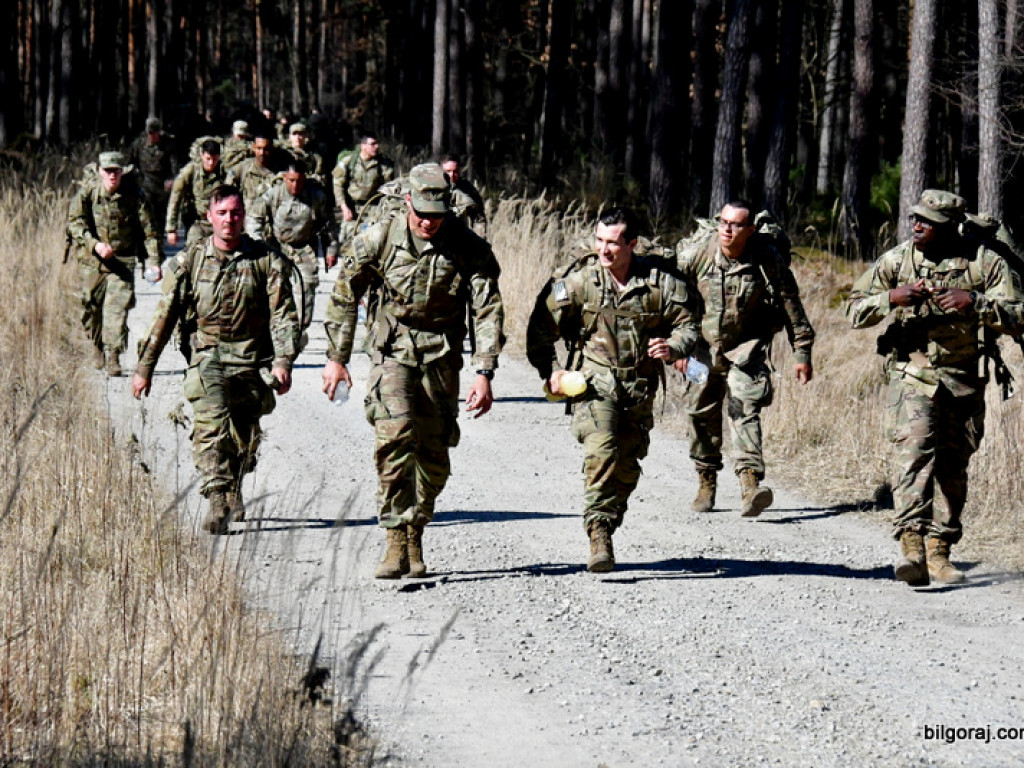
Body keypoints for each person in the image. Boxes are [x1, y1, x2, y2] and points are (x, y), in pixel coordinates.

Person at [321, 163, 504, 580]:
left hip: (441, 355)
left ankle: (415, 529)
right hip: (393, 350)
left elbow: (487, 309)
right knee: (394, 438)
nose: (428, 223)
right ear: (408, 202)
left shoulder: (467, 246)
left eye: (436, 216)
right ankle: (394, 538)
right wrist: (337, 358)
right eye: (421, 214)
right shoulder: (380, 238)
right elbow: (345, 293)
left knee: (434, 455)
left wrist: (484, 371)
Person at [846, 190, 1024, 586]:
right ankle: (912, 547)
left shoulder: (984, 261)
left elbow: (1019, 314)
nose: (918, 225)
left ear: (952, 227)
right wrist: (891, 298)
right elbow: (853, 310)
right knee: (914, 450)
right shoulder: (898, 260)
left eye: (929, 221)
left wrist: (974, 301)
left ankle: (940, 550)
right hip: (913, 372)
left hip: (964, 377)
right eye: (916, 218)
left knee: (953, 465)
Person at [527, 207, 700, 572]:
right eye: (599, 241)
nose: (604, 250)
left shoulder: (660, 284)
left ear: (632, 244)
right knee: (601, 449)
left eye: (613, 243)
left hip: (639, 388)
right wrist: (552, 372)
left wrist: (673, 347)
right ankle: (598, 533)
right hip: (594, 383)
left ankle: (608, 517)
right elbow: (540, 327)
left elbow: (688, 325)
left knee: (627, 467)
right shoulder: (580, 282)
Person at [131, 185, 299, 534]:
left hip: (252, 360)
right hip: (208, 356)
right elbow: (165, 316)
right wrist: (145, 368)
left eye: (235, 213)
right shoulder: (191, 261)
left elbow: (283, 314)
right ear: (209, 217)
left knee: (244, 436)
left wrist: (283, 362)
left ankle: (234, 480)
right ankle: (217, 498)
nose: (229, 220)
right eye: (222, 213)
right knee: (211, 425)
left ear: (244, 217)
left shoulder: (265, 260)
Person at [674, 200, 815, 517]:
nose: (727, 229)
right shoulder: (697, 255)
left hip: (746, 348)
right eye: (723, 222)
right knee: (699, 412)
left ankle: (750, 485)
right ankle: (706, 480)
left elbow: (791, 304)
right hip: (701, 350)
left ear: (750, 230)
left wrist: (802, 352)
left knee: (745, 409)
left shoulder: (767, 258)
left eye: (736, 224)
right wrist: (676, 348)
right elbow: (670, 298)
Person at [68, 151, 163, 375]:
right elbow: (75, 223)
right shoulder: (88, 193)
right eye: (108, 171)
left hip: (123, 259)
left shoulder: (134, 195)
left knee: (116, 309)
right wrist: (94, 245)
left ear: (122, 172)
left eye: (116, 171)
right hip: (92, 260)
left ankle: (113, 355)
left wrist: (154, 262)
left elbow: (149, 231)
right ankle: (97, 345)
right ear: (100, 171)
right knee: (91, 308)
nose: (112, 175)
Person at [247, 157, 338, 348]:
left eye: (299, 181)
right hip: (276, 247)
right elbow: (254, 219)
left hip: (303, 248)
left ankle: (298, 333)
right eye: (291, 180)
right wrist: (257, 245)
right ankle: (272, 333)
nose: (295, 185)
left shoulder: (316, 196)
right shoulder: (273, 194)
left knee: (307, 287)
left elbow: (328, 225)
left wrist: (331, 249)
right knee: (273, 288)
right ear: (285, 178)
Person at [165, 138, 228, 247]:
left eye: (214, 159)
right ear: (202, 155)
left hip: (217, 221)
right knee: (194, 250)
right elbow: (175, 198)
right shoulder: (189, 171)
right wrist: (171, 229)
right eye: (208, 159)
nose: (211, 163)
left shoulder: (224, 172)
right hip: (195, 221)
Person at [333, 131, 395, 238]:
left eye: (377, 143)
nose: (376, 147)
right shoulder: (349, 162)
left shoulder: (383, 164)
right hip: (352, 208)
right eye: (373, 144)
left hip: (373, 209)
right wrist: (344, 207)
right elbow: (338, 185)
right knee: (347, 238)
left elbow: (390, 188)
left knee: (374, 238)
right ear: (363, 146)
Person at [126, 116, 178, 228]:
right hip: (145, 181)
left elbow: (174, 163)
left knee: (161, 216)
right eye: (150, 133)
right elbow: (129, 162)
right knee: (147, 213)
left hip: (162, 184)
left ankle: (159, 235)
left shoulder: (167, 144)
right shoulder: (139, 144)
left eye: (155, 133)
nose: (152, 136)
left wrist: (172, 179)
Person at [228, 132, 281, 212]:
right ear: (253, 148)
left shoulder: (279, 172)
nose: (262, 153)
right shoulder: (243, 168)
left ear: (271, 149)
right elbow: (227, 192)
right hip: (248, 216)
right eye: (259, 148)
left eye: (266, 149)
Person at [442, 153, 487, 237]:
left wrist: (479, 237)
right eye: (448, 171)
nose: (451, 175)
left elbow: (479, 218)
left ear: (459, 171)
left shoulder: (468, 190)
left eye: (455, 171)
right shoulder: (435, 189)